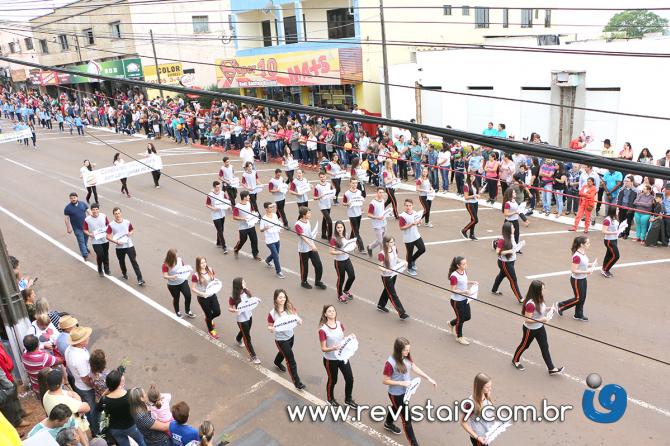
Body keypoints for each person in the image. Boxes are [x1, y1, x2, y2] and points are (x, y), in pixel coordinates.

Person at [381, 337, 436, 445]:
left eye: (408, 349)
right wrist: (401, 383)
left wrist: (429, 378)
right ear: (398, 349)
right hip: (396, 394)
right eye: (405, 350)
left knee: (396, 407)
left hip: (406, 392)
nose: (407, 352)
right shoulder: (390, 363)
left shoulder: (406, 357)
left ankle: (388, 423)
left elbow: (414, 367)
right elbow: (385, 380)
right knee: (407, 420)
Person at [512, 281, 564, 375]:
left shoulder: (539, 298)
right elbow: (527, 319)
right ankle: (515, 360)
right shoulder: (531, 304)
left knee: (544, 347)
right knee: (524, 345)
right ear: (537, 291)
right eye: (542, 289)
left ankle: (551, 368)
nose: (544, 290)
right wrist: (541, 320)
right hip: (530, 329)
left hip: (540, 327)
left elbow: (540, 309)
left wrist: (549, 309)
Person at [319, 305, 357, 407]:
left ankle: (348, 399)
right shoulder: (323, 330)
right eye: (329, 311)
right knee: (333, 380)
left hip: (342, 357)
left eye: (333, 311)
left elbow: (342, 339)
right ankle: (330, 399)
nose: (332, 312)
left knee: (350, 378)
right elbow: (323, 348)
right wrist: (332, 348)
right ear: (325, 314)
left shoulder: (339, 324)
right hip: (330, 360)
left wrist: (350, 337)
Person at [267, 289, 305, 389]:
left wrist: (299, 320)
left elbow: (296, 318)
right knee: (291, 360)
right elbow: (269, 326)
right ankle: (297, 383)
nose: (282, 299)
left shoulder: (290, 308)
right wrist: (272, 329)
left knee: (283, 352)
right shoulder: (272, 313)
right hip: (281, 340)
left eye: (284, 297)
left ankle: (277, 362)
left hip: (291, 336)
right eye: (280, 297)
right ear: (276, 299)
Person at [63, 326, 98, 435]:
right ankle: (96, 431)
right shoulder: (79, 358)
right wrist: (94, 386)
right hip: (85, 387)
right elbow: (85, 378)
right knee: (92, 410)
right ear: (81, 341)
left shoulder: (70, 349)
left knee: (88, 409)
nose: (88, 338)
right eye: (86, 337)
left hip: (78, 384)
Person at [100, 370, 147, 446]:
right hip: (131, 425)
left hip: (115, 429)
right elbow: (142, 404)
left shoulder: (104, 399)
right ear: (119, 384)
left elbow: (98, 409)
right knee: (141, 441)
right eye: (122, 381)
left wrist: (104, 394)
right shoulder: (130, 394)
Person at [558, 236, 594, 322]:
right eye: (587, 243)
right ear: (581, 244)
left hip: (583, 279)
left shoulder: (583, 252)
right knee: (578, 298)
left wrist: (591, 264)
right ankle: (561, 305)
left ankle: (578, 314)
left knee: (582, 297)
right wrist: (587, 272)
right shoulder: (577, 256)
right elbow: (573, 270)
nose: (589, 244)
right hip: (577, 280)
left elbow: (583, 264)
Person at [106, 207, 145, 286]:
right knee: (122, 262)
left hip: (129, 245)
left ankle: (140, 279)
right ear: (113, 215)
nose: (117, 215)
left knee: (134, 262)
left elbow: (131, 230)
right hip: (119, 247)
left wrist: (130, 233)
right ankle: (124, 273)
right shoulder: (111, 225)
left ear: (121, 213)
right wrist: (116, 241)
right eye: (116, 214)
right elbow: (108, 236)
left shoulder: (127, 222)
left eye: (119, 213)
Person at [459, 373, 499, 446]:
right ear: (480, 387)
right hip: (479, 439)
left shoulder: (486, 394)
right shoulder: (471, 404)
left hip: (487, 435)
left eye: (490, 386)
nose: (490, 389)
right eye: (487, 387)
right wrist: (477, 437)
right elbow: (463, 422)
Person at [228, 277, 260, 364]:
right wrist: (235, 310)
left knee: (246, 331)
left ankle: (238, 338)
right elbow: (230, 308)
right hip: (241, 320)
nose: (245, 283)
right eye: (243, 282)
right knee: (247, 338)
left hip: (249, 316)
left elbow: (251, 300)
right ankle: (253, 356)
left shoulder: (246, 291)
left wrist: (257, 300)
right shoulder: (233, 296)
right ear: (238, 285)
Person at [377, 236, 410, 319]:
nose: (393, 243)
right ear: (386, 243)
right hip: (386, 276)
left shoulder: (394, 248)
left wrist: (403, 261)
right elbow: (379, 266)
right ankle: (401, 313)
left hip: (394, 273)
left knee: (387, 290)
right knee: (392, 294)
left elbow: (396, 259)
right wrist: (386, 270)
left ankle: (380, 305)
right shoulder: (382, 254)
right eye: (391, 242)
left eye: (393, 241)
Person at [294, 206, 327, 290]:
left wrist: (313, 242)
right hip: (303, 250)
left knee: (318, 265)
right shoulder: (297, 224)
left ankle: (317, 281)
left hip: (311, 247)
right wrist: (311, 245)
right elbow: (303, 237)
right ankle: (304, 282)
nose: (310, 214)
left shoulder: (307, 221)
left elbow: (308, 234)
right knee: (304, 267)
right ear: (303, 215)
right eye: (308, 213)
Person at [448, 256, 478, 345]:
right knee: (460, 319)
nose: (466, 265)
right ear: (458, 265)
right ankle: (459, 337)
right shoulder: (454, 276)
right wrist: (464, 292)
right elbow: (453, 290)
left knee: (467, 316)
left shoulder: (463, 271)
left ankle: (451, 323)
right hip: (457, 301)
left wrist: (472, 282)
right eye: (464, 264)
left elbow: (464, 281)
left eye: (466, 263)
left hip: (464, 299)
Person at [491, 222, 523, 303]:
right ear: (508, 230)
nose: (514, 229)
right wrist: (509, 251)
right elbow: (497, 251)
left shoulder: (511, 236)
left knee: (502, 274)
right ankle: (520, 298)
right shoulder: (502, 240)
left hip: (510, 261)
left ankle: (494, 289)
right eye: (512, 228)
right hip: (505, 263)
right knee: (513, 280)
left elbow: (514, 248)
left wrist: (520, 245)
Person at [191, 257, 222, 339]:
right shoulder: (195, 275)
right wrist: (202, 293)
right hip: (203, 298)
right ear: (198, 264)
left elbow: (214, 280)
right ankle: (211, 330)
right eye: (201, 263)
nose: (204, 264)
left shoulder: (210, 269)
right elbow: (193, 288)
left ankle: (208, 319)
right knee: (208, 314)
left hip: (212, 295)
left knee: (217, 312)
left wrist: (217, 285)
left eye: (204, 262)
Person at [162, 249, 195, 318]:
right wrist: (172, 277)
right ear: (171, 257)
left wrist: (188, 269)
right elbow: (165, 276)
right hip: (173, 285)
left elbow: (183, 268)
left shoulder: (179, 260)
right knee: (176, 298)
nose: (177, 256)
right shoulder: (165, 265)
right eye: (175, 255)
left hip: (182, 281)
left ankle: (188, 310)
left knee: (188, 295)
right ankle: (177, 311)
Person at [329, 221, 356, 303]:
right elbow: (331, 251)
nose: (340, 229)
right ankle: (339, 295)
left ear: (343, 227)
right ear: (335, 228)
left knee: (352, 276)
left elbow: (348, 246)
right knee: (341, 279)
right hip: (339, 262)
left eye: (341, 227)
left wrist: (353, 246)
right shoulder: (334, 239)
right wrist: (340, 252)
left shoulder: (346, 235)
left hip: (347, 259)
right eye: (338, 227)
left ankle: (346, 290)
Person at [398, 199, 425, 276]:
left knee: (422, 249)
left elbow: (417, 220)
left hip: (416, 236)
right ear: (404, 206)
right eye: (406, 205)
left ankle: (412, 260)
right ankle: (409, 268)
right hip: (408, 238)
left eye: (410, 205)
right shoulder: (403, 216)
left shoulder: (415, 212)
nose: (408, 207)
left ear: (412, 206)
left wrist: (419, 221)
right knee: (409, 253)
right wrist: (411, 224)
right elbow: (401, 227)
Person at [232, 191, 261, 260]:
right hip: (243, 227)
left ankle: (255, 254)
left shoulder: (249, 203)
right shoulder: (237, 206)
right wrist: (243, 218)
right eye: (248, 196)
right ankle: (236, 248)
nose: (249, 197)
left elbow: (251, 212)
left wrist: (254, 216)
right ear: (244, 197)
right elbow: (234, 217)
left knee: (254, 240)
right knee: (242, 240)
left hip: (251, 225)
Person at [83, 203, 110, 276]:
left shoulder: (103, 216)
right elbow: (85, 229)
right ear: (91, 210)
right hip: (95, 240)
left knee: (106, 254)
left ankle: (107, 269)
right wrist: (90, 234)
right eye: (93, 210)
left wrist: (108, 231)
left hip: (104, 239)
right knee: (100, 255)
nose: (95, 211)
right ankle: (100, 269)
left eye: (96, 209)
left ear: (98, 210)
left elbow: (108, 225)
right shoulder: (87, 219)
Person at [259, 202, 285, 278]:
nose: (271, 208)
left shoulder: (274, 215)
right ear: (266, 209)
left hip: (276, 238)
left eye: (272, 207)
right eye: (270, 207)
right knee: (276, 255)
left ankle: (267, 260)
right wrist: (265, 228)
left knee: (276, 253)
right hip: (269, 240)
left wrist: (281, 228)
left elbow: (277, 223)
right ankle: (278, 271)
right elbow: (261, 230)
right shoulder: (263, 219)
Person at [63, 192, 90, 260]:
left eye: (74, 197)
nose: (73, 199)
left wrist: (94, 218)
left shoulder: (83, 204)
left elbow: (89, 212)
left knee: (85, 239)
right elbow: (66, 219)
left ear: (77, 197)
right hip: (77, 228)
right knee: (81, 240)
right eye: (71, 198)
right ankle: (85, 254)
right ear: (70, 199)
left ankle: (85, 247)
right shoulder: (68, 208)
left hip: (85, 227)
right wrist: (68, 228)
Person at [343, 179, 366, 253]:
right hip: (351, 214)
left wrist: (361, 205)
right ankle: (361, 248)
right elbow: (344, 203)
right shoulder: (347, 193)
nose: (355, 184)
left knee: (355, 230)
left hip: (359, 213)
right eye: (353, 183)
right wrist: (347, 203)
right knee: (356, 232)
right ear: (350, 183)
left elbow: (360, 200)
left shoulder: (359, 192)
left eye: (356, 183)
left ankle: (349, 242)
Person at [600, 206, 621, 278]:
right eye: (617, 209)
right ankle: (605, 270)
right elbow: (603, 231)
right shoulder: (607, 220)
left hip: (614, 239)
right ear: (613, 211)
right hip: (609, 240)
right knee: (616, 256)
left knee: (609, 255)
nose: (618, 211)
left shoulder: (615, 218)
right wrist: (614, 232)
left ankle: (604, 268)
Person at [366, 187, 387, 256]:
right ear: (377, 193)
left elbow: (382, 210)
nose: (381, 194)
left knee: (380, 240)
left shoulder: (383, 200)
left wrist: (386, 213)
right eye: (380, 192)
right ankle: (382, 256)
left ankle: (370, 247)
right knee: (381, 241)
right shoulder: (373, 203)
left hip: (384, 222)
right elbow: (369, 214)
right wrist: (378, 217)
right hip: (377, 225)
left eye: (382, 192)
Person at [313, 171, 334, 240]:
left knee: (325, 219)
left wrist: (333, 196)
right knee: (329, 221)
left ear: (325, 176)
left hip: (328, 204)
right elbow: (314, 197)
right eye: (321, 177)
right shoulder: (317, 187)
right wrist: (320, 197)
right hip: (322, 206)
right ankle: (330, 237)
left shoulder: (329, 185)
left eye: (323, 177)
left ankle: (323, 234)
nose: (322, 178)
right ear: (319, 178)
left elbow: (332, 193)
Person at [461, 174, 480, 240]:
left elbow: (476, 194)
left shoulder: (475, 185)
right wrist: (474, 195)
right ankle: (464, 230)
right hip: (469, 203)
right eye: (471, 176)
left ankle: (471, 234)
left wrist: (477, 196)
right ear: (469, 177)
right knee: (475, 220)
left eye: (474, 176)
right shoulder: (466, 185)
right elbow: (466, 197)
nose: (473, 177)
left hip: (475, 203)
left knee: (473, 219)